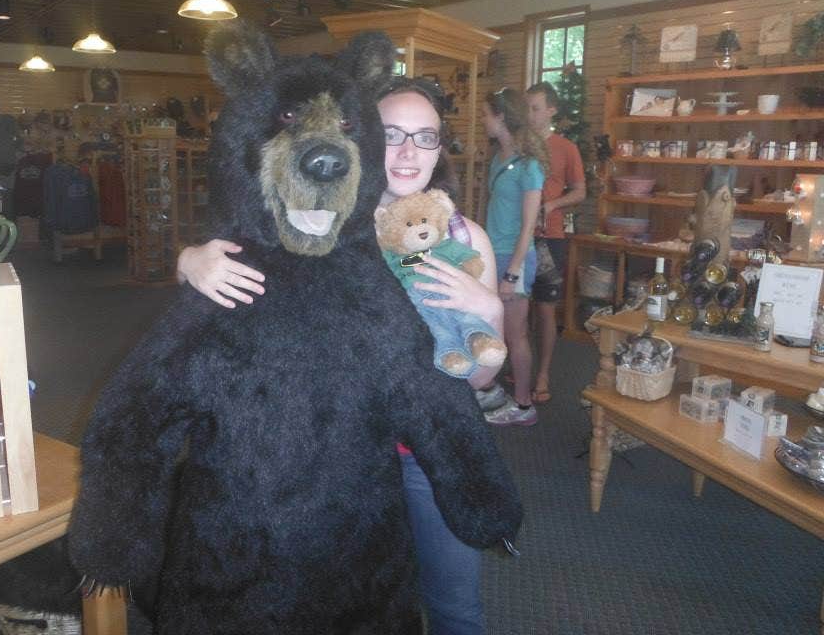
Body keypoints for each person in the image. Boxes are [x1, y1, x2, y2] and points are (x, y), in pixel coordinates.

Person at [177, 76, 505, 635]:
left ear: (439, 150)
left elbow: (478, 381)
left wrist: (491, 314)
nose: (407, 152)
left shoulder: (464, 239)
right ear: (362, 139)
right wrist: (187, 260)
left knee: (454, 605)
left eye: (425, 138)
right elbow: (236, 295)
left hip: (429, 450)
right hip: (336, 456)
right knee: (348, 601)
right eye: (392, 133)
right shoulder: (317, 226)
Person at [480, 88, 548, 427]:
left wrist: (512, 273)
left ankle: (523, 405)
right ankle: (493, 390)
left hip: (515, 259)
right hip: (492, 254)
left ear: (502, 116)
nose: (483, 120)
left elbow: (528, 227)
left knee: (515, 335)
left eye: (486, 113)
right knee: (493, 329)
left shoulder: (529, 166)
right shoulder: (497, 158)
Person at [525, 81, 586, 404]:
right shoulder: (518, 145)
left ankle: (544, 371)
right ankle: (523, 364)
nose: (530, 114)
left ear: (551, 109)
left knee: (546, 309)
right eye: (527, 108)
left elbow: (580, 191)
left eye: (536, 108)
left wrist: (552, 205)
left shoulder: (566, 148)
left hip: (550, 237)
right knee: (519, 308)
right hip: (516, 236)